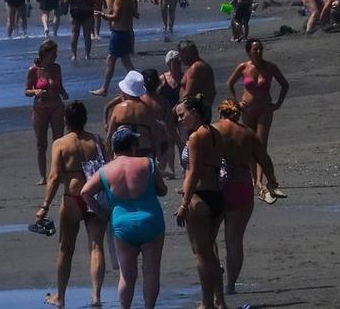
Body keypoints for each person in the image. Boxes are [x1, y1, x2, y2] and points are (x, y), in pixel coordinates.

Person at [80, 126, 167, 309]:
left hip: (122, 224)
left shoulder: (105, 170)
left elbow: (85, 192)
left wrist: (101, 213)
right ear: (132, 146)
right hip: (151, 220)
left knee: (127, 276)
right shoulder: (147, 163)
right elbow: (163, 190)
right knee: (151, 271)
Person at [35, 102, 110, 308]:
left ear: (66, 120)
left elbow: (54, 177)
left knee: (65, 249)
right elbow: (109, 168)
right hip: (95, 197)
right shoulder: (97, 141)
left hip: (72, 198)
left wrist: (45, 206)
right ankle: (96, 297)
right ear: (85, 119)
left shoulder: (61, 143)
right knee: (96, 247)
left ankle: (60, 297)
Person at [211, 99, 279, 296]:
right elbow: (264, 160)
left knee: (209, 237)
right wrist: (272, 181)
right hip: (241, 185)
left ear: (220, 112)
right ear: (238, 114)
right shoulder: (248, 134)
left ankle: (215, 273)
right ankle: (230, 285)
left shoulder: (212, 131)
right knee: (234, 241)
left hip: (217, 186)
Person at [172, 95, 225, 309]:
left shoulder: (196, 137)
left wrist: (184, 203)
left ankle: (206, 303)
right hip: (216, 196)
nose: (180, 120)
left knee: (202, 254)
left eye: (182, 115)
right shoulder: (215, 133)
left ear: (194, 112)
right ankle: (218, 300)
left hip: (199, 198)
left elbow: (193, 172)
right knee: (210, 252)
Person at [227, 39, 290, 201]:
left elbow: (285, 85)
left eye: (260, 49)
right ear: (249, 52)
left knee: (261, 144)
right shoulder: (243, 67)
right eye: (255, 49)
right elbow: (230, 83)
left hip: (265, 109)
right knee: (249, 143)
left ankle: (262, 182)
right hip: (247, 109)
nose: (259, 52)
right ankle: (255, 179)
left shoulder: (269, 67)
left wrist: (278, 103)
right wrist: (236, 102)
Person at [25, 40, 68, 185]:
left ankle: (58, 173)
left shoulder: (57, 68)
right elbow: (26, 91)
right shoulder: (33, 70)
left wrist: (64, 92)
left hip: (56, 105)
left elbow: (60, 86)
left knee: (59, 141)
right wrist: (35, 91)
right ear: (45, 54)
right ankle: (43, 176)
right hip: (40, 108)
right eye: (53, 53)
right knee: (41, 144)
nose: (56, 56)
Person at [91, 0, 138, 97]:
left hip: (119, 33)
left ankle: (104, 88)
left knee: (111, 60)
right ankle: (139, 84)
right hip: (126, 32)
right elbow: (134, 13)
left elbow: (116, 17)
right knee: (126, 61)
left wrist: (102, 15)